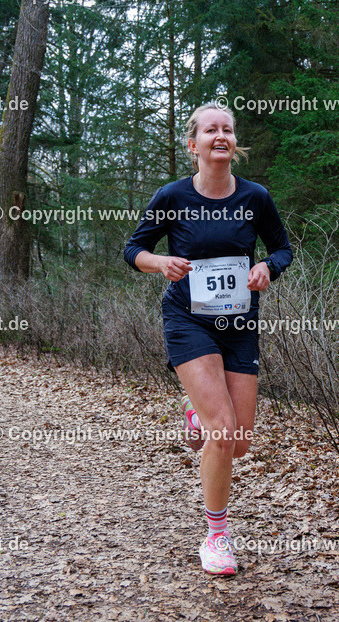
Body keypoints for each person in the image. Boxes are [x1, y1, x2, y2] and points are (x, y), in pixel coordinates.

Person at [123, 102, 293, 576]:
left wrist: (267, 267)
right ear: (193, 144)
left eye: (228, 130)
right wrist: (160, 263)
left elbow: (283, 247)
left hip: (240, 324)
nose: (221, 136)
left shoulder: (256, 197)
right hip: (187, 319)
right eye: (211, 130)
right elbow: (133, 249)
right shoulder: (173, 196)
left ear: (234, 143)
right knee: (223, 431)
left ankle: (197, 412)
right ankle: (217, 536)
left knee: (238, 441)